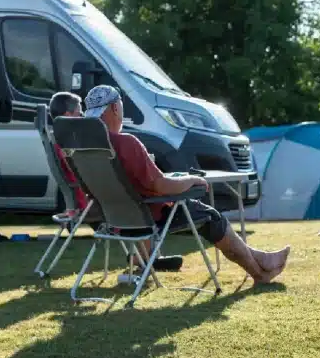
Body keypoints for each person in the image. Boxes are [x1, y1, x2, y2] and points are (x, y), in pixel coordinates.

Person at [83, 85, 290, 284]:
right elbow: (161, 185)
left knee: (202, 213)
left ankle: (260, 258)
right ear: (115, 108)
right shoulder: (126, 142)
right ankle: (259, 273)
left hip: (114, 220)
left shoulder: (84, 151)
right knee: (212, 218)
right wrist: (191, 180)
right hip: (151, 216)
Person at [48, 91, 183, 272]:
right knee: (137, 196)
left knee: (130, 194)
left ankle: (147, 257)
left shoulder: (62, 142)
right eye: (80, 113)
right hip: (94, 201)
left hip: (90, 198)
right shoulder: (72, 143)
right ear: (67, 115)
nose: (82, 117)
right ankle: (144, 258)